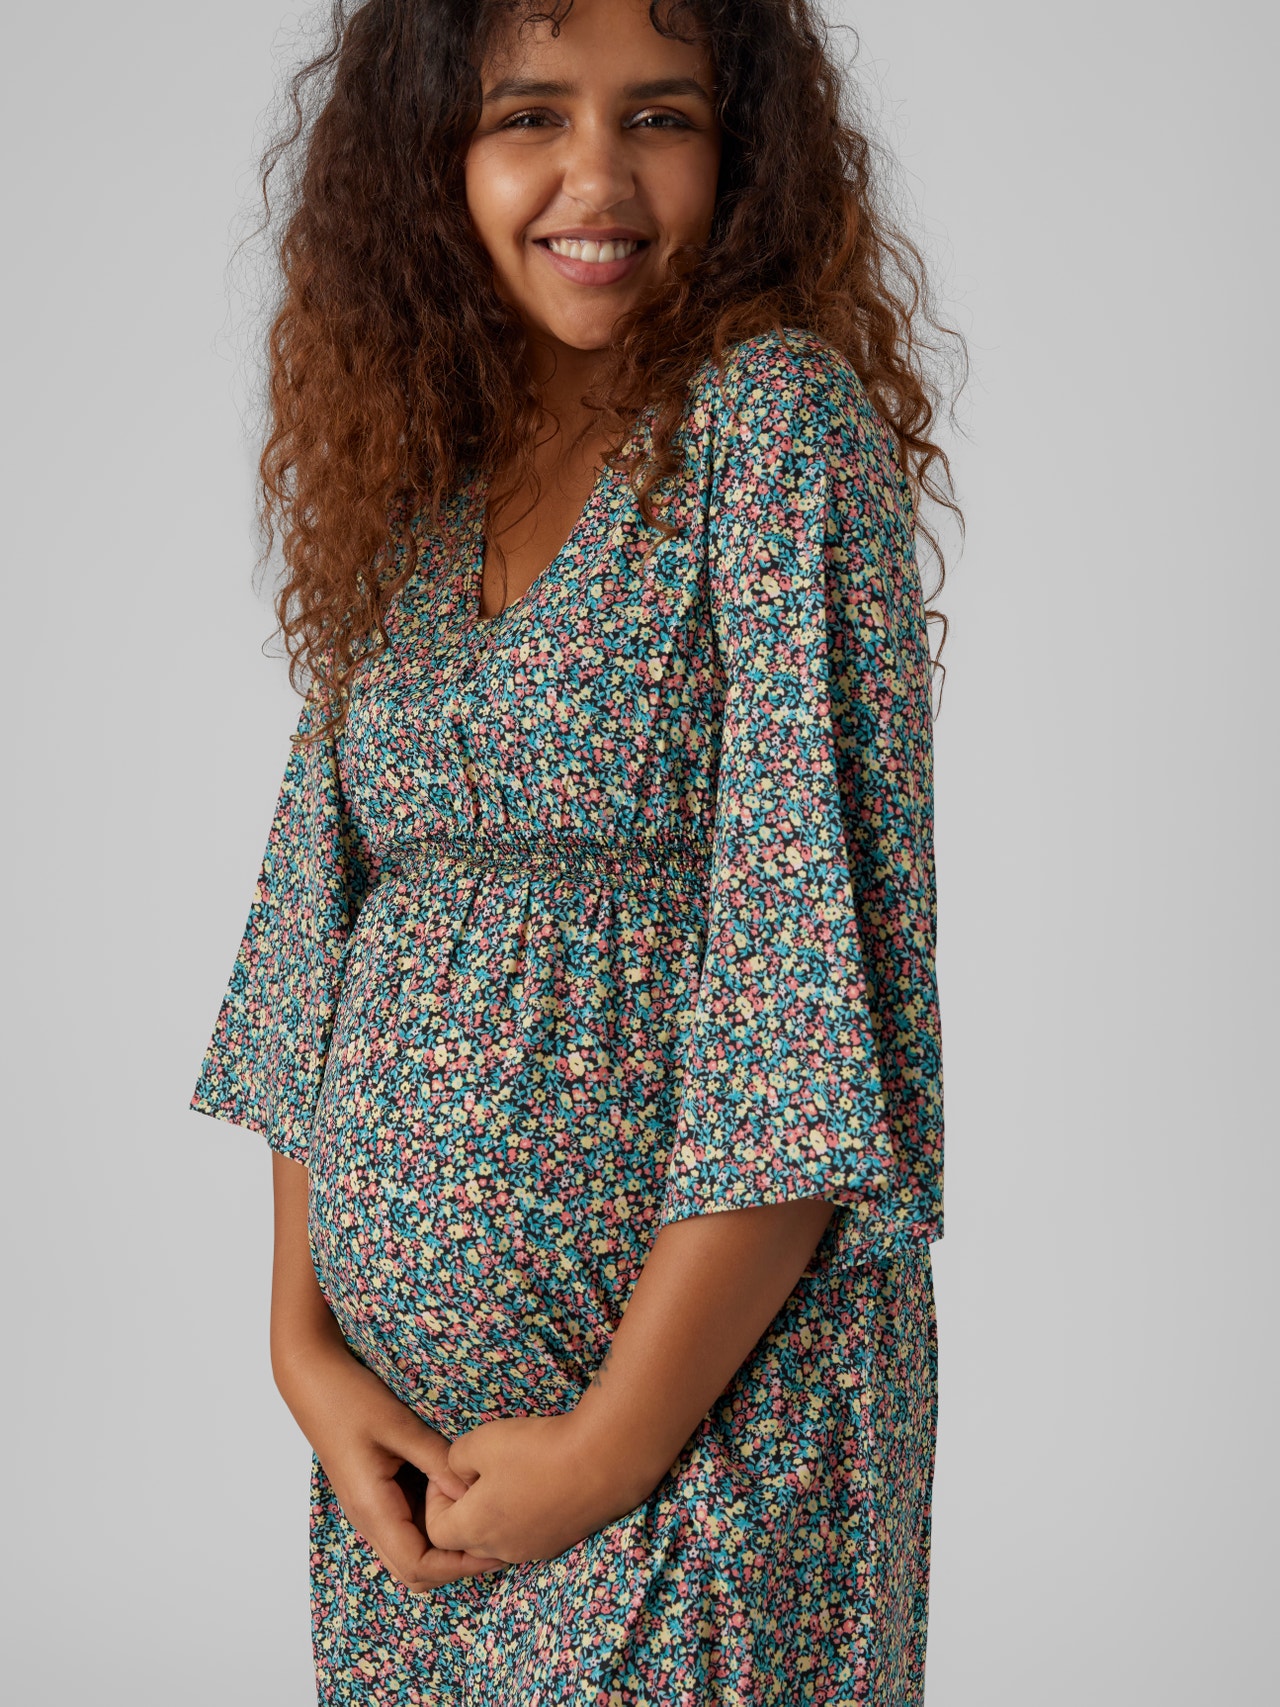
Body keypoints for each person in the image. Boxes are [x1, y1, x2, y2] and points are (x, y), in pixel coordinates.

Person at [191, 0, 962, 1699]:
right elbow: (315, 935)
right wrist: (307, 1352)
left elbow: (805, 998)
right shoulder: (420, 468)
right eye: (529, 115)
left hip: (703, 1446)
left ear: (743, 155)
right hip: (417, 1467)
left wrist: (612, 1447)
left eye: (661, 117)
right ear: (432, 158)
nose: (596, 177)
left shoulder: (771, 433)